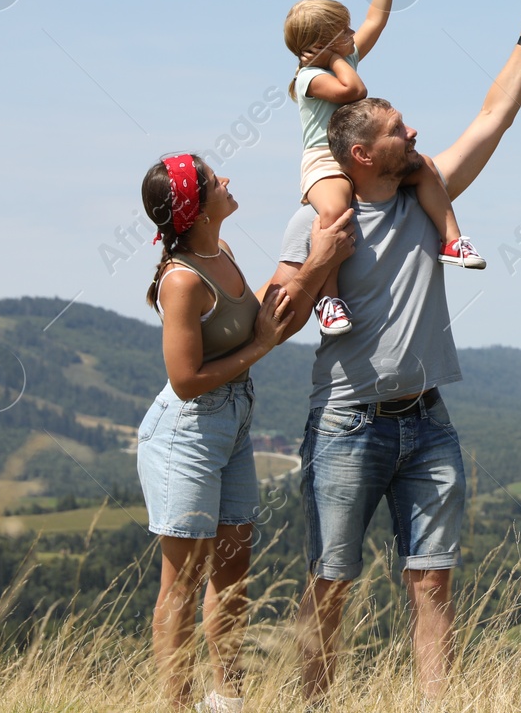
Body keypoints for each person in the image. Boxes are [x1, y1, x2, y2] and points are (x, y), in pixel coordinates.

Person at [265, 0, 521, 702]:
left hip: (429, 423)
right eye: (399, 130)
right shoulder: (312, 222)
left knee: (433, 583)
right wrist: (319, 267)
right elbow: (275, 318)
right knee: (331, 583)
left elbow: (492, 117)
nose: (415, 134)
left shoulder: (425, 202)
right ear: (361, 154)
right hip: (345, 424)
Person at [136, 152, 353, 712]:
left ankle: (227, 699)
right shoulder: (182, 280)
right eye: (213, 180)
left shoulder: (221, 252)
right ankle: (178, 705)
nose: (226, 179)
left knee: (233, 571)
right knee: (181, 583)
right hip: (187, 430)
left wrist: (316, 260)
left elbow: (263, 315)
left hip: (232, 424)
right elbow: (185, 380)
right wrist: (259, 348)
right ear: (195, 205)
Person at [282, 0, 485, 338]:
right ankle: (329, 299)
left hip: (357, 155)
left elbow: (377, 20)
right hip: (325, 161)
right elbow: (353, 91)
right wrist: (338, 56)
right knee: (335, 214)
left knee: (423, 167)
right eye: (344, 31)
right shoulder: (307, 77)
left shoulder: (341, 55)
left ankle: (452, 241)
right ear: (323, 42)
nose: (354, 34)